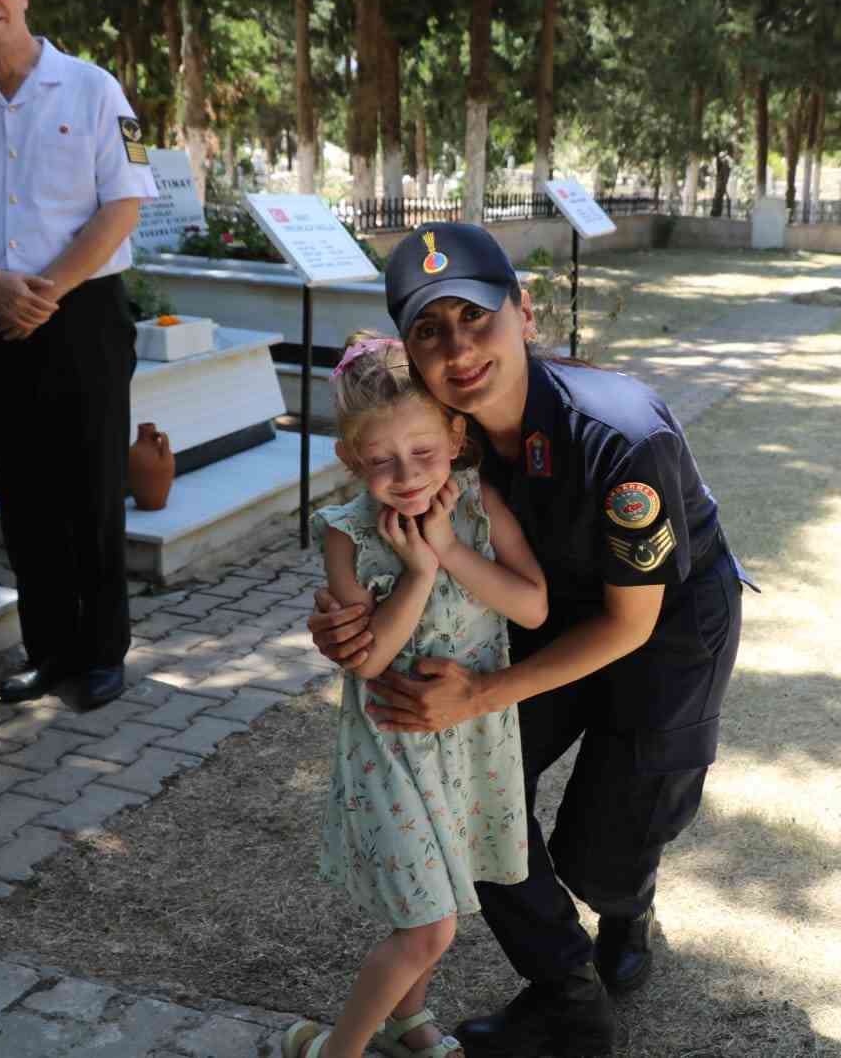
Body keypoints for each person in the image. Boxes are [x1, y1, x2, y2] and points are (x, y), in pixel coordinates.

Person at [310, 223, 750, 1057]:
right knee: (479, 789)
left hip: (666, 623)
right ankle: (566, 998)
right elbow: (372, 532)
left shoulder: (621, 433)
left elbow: (631, 622)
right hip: (540, 613)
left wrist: (477, 694)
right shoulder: (439, 430)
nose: (458, 348)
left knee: (604, 851)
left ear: (524, 312)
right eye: (430, 329)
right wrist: (339, 617)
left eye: (476, 317)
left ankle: (629, 904)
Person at [282, 335, 547, 1058]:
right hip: (392, 745)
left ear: (457, 439)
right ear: (349, 460)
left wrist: (455, 552)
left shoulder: (481, 508)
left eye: (424, 454)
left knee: (446, 893)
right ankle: (335, 1050)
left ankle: (408, 1023)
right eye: (381, 462)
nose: (406, 476)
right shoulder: (347, 535)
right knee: (429, 924)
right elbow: (369, 661)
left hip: (470, 742)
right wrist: (420, 573)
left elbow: (531, 608)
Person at [0, 0, 158, 710]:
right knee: (24, 494)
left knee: (93, 482)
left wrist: (45, 291)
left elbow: (126, 202)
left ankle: (103, 651)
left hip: (82, 310)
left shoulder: (95, 88)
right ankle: (49, 649)